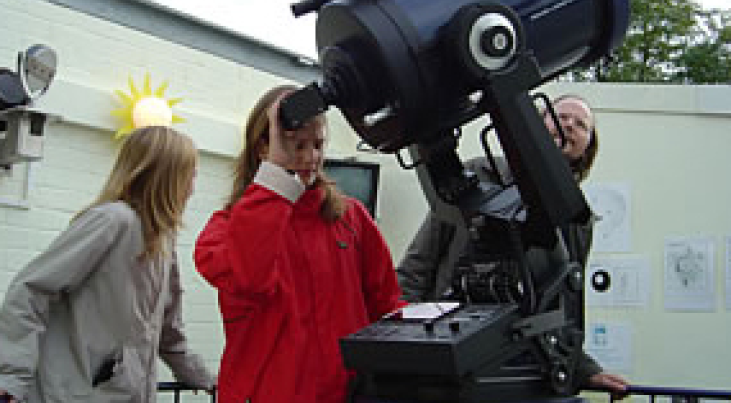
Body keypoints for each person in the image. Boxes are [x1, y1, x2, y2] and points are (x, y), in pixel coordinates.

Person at [397, 95, 629, 395]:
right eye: (560, 116)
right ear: (535, 125)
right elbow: (419, 265)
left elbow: (566, 304)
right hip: (451, 354)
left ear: (587, 147)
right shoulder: (478, 176)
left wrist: (583, 370)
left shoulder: (576, 220)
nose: (569, 124)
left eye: (581, 124)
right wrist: (406, 342)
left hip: (523, 364)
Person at [194, 85, 404, 403]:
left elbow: (386, 305)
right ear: (263, 149)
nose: (310, 157)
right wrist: (276, 175)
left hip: (349, 393)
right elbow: (250, 279)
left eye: (318, 144)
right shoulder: (224, 231)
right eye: (296, 145)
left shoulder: (351, 217)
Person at [0, 126, 215, 403]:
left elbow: (168, 329)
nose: (193, 188)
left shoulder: (162, 241)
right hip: (77, 394)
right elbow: (30, 290)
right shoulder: (112, 221)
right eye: (191, 174)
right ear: (167, 175)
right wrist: (12, 379)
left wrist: (200, 376)